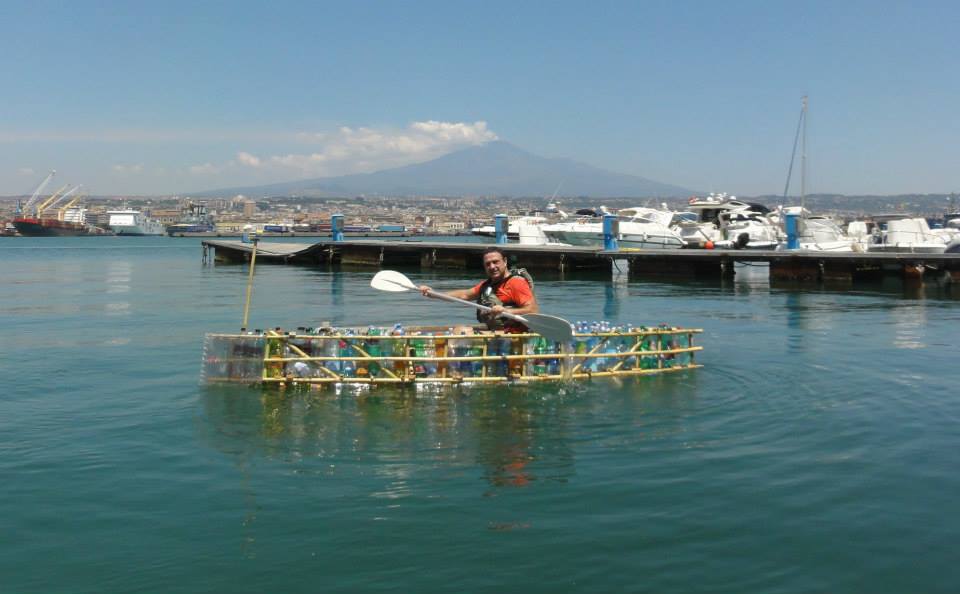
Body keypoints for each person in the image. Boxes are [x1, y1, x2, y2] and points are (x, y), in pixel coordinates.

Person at [419, 247, 538, 332]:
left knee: (461, 333)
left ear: (505, 262)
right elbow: (464, 295)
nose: (492, 267)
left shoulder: (516, 283)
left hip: (513, 335)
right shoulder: (487, 285)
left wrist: (507, 311)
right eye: (488, 264)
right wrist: (433, 293)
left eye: (495, 262)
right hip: (495, 332)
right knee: (458, 330)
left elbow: (533, 311)